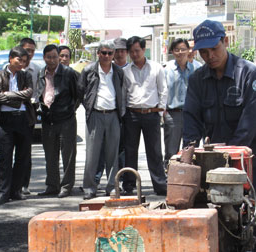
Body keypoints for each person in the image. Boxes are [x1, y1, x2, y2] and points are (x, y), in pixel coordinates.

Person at [183, 19, 256, 252]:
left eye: (214, 49)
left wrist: (234, 153)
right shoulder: (197, 80)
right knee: (218, 210)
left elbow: (252, 120)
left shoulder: (250, 74)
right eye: (203, 52)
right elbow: (191, 118)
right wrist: (188, 154)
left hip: (250, 155)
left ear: (226, 41)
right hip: (215, 159)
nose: (209, 56)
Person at [78, 40, 125, 200]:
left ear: (113, 55)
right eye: (103, 53)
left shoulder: (118, 71)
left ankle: (112, 186)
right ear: (98, 53)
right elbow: (81, 91)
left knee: (113, 154)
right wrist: (89, 107)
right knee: (92, 154)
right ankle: (89, 188)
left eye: (109, 53)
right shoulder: (89, 70)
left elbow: (122, 91)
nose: (106, 56)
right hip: (95, 115)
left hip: (113, 115)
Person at [122, 36, 168, 196]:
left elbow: (163, 90)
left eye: (137, 51)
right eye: (131, 52)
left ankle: (160, 185)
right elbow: (124, 94)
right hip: (132, 115)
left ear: (143, 50)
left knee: (155, 152)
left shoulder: (156, 68)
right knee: (130, 151)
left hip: (151, 114)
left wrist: (160, 112)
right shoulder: (125, 71)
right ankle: (129, 185)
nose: (134, 54)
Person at [0, 46, 34, 206]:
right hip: (6, 120)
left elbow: (29, 93)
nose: (21, 64)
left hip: (23, 118)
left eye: (24, 61)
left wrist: (8, 95)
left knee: (22, 157)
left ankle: (16, 190)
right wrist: (17, 98)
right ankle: (2, 193)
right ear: (10, 58)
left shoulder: (26, 75)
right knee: (5, 158)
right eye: (18, 60)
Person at [37, 44, 79, 198]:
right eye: (49, 57)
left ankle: (67, 186)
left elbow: (78, 94)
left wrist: (70, 109)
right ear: (44, 58)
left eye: (55, 56)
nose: (52, 60)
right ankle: (52, 185)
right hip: (48, 119)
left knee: (67, 155)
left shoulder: (68, 73)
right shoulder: (41, 72)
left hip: (66, 120)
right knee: (50, 155)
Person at [163, 38, 200, 169]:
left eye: (183, 49)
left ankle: (188, 177)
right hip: (173, 114)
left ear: (188, 50)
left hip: (192, 115)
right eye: (177, 49)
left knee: (190, 150)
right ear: (172, 51)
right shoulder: (167, 69)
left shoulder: (197, 68)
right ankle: (170, 179)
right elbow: (162, 91)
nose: (180, 52)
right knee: (171, 151)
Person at [19, 37, 40, 195]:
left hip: (29, 110)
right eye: (27, 50)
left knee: (26, 151)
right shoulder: (11, 68)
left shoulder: (37, 69)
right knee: (8, 152)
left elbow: (38, 90)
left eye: (32, 51)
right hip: (11, 112)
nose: (30, 53)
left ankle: (24, 184)